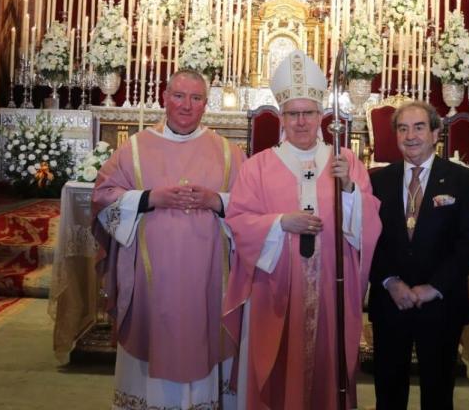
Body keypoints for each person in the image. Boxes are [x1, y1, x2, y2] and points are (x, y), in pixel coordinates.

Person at [223, 50, 381, 410]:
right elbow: (239, 222)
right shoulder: (257, 167)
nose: (300, 122)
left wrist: (349, 190)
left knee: (327, 366)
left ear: (321, 115)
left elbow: (370, 224)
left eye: (308, 113)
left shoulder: (344, 161)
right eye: (292, 114)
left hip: (331, 288)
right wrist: (280, 223)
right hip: (275, 288)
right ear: (281, 116)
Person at [92, 69, 246, 410]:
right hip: (152, 282)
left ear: (206, 103)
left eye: (196, 98)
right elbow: (103, 197)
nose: (186, 105)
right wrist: (149, 198)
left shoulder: (228, 153)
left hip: (208, 279)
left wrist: (216, 201)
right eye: (179, 96)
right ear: (164, 98)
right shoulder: (134, 148)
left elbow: (252, 208)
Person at [368, 100, 469, 409]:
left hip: (441, 303)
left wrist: (433, 287)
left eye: (419, 128)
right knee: (388, 392)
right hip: (391, 301)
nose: (411, 136)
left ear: (435, 133)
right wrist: (391, 282)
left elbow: (468, 243)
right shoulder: (377, 180)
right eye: (403, 129)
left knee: (438, 392)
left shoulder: (461, 179)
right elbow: (368, 239)